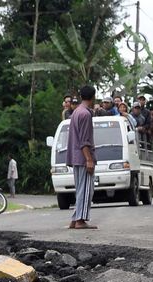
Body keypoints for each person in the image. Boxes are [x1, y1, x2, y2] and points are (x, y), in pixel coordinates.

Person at [66, 85, 98, 230]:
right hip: (83, 157)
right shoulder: (85, 114)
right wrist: (89, 159)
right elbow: (84, 140)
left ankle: (74, 219)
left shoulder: (76, 112)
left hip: (75, 157)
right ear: (93, 97)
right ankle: (80, 220)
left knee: (80, 189)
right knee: (86, 190)